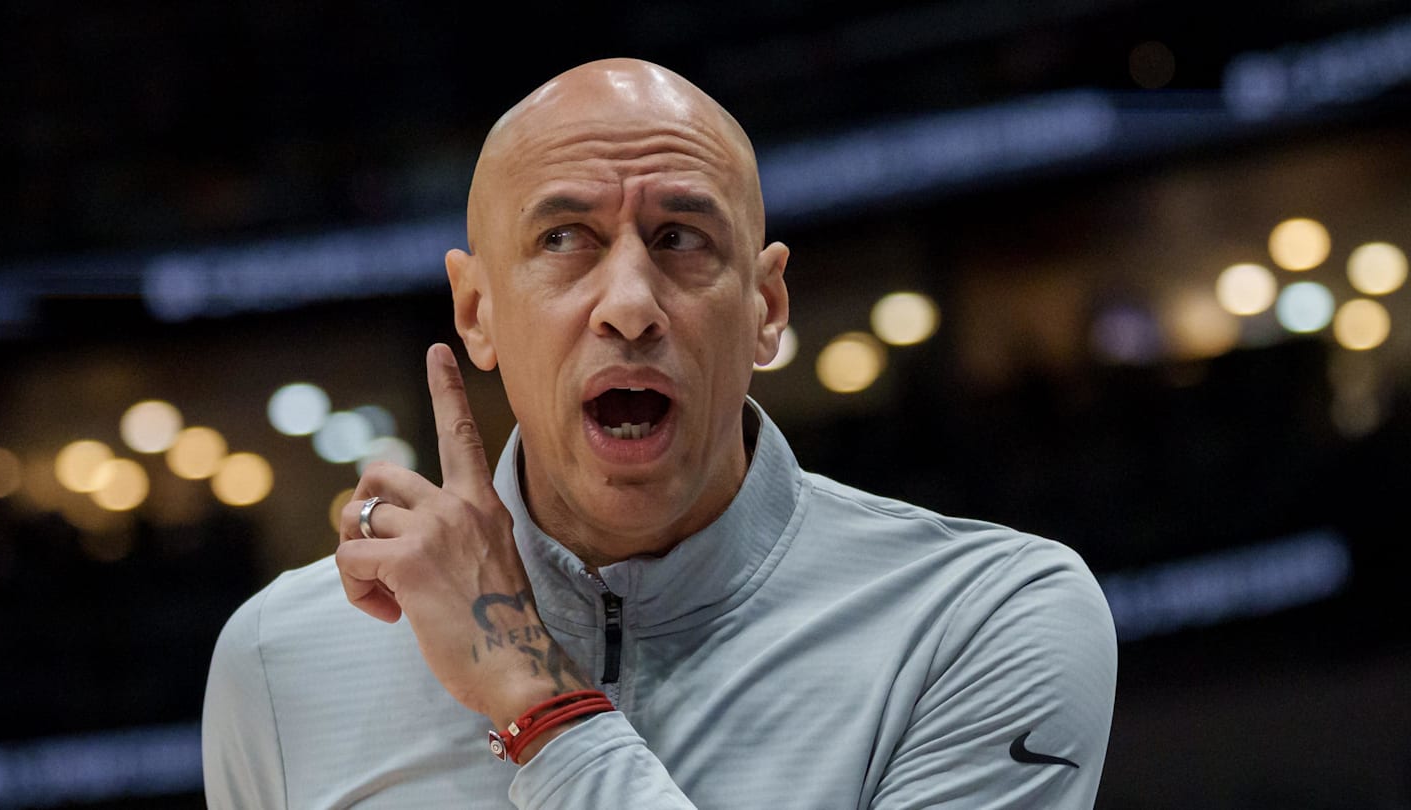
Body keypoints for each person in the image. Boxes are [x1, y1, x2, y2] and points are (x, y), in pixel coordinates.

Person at [202, 57, 1117, 808]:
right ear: (476, 312)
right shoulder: (279, 662)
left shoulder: (984, 619)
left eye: (681, 237)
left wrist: (532, 697)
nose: (631, 306)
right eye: (565, 239)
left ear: (766, 307)